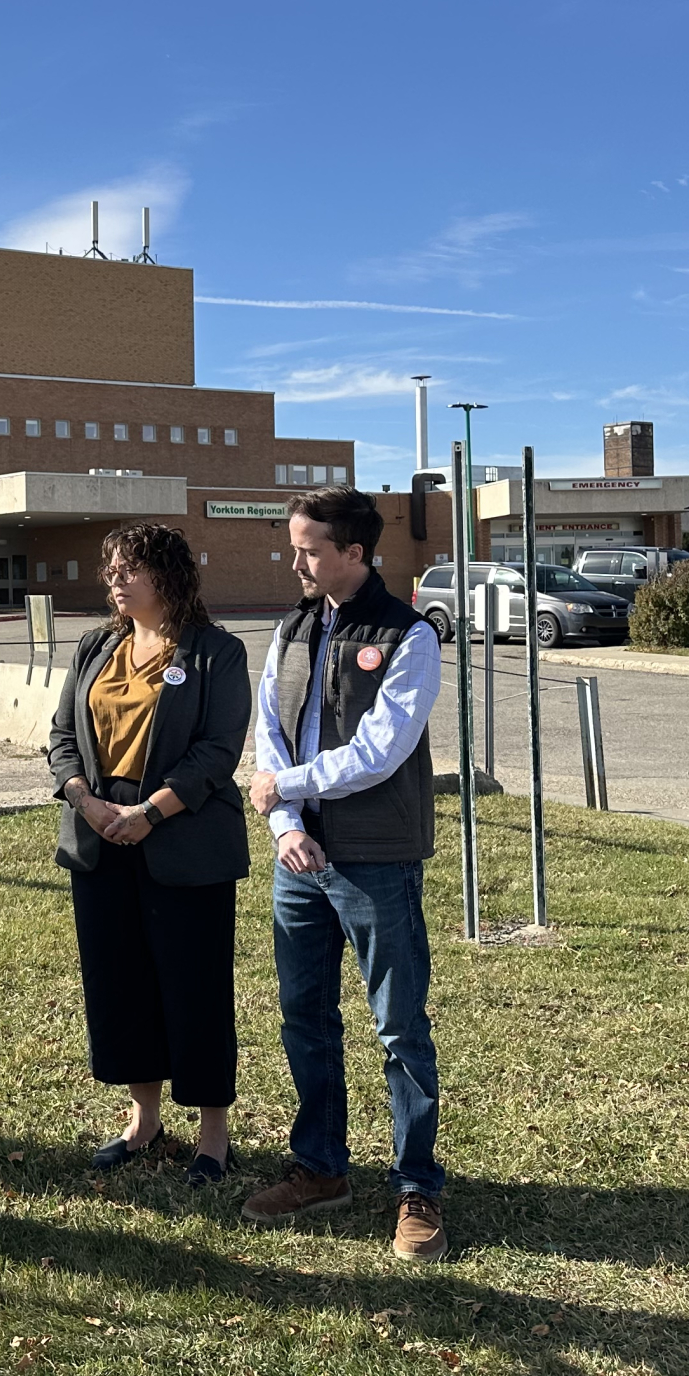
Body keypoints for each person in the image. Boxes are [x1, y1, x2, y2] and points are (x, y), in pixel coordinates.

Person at [241, 486, 449, 1261]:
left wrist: (285, 790)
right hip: (300, 861)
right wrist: (286, 826)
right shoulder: (292, 628)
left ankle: (416, 1187)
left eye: (309, 550)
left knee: (399, 1028)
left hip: (376, 862)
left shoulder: (408, 637)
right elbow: (271, 732)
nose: (295, 560)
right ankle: (322, 1169)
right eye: (295, 547)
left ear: (354, 554)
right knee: (305, 1019)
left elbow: (380, 752)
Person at [45, 521, 253, 1186]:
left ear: (167, 576)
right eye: (111, 567)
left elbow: (218, 753)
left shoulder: (217, 652)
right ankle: (145, 1120)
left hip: (181, 841)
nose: (114, 578)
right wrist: (86, 801)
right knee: (121, 984)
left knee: (194, 987)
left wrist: (148, 812)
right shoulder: (95, 646)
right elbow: (59, 735)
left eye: (128, 567)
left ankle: (213, 1136)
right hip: (100, 839)